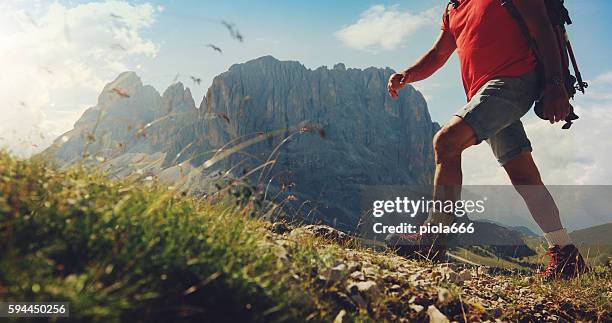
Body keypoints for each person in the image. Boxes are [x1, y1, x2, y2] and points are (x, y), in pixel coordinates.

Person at [385, 0, 587, 280]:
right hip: (483, 94)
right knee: (523, 174)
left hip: (513, 81)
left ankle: (432, 239)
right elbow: (438, 53)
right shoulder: (453, 8)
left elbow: (541, 27)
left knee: (446, 142)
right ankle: (566, 253)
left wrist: (555, 85)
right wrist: (408, 75)